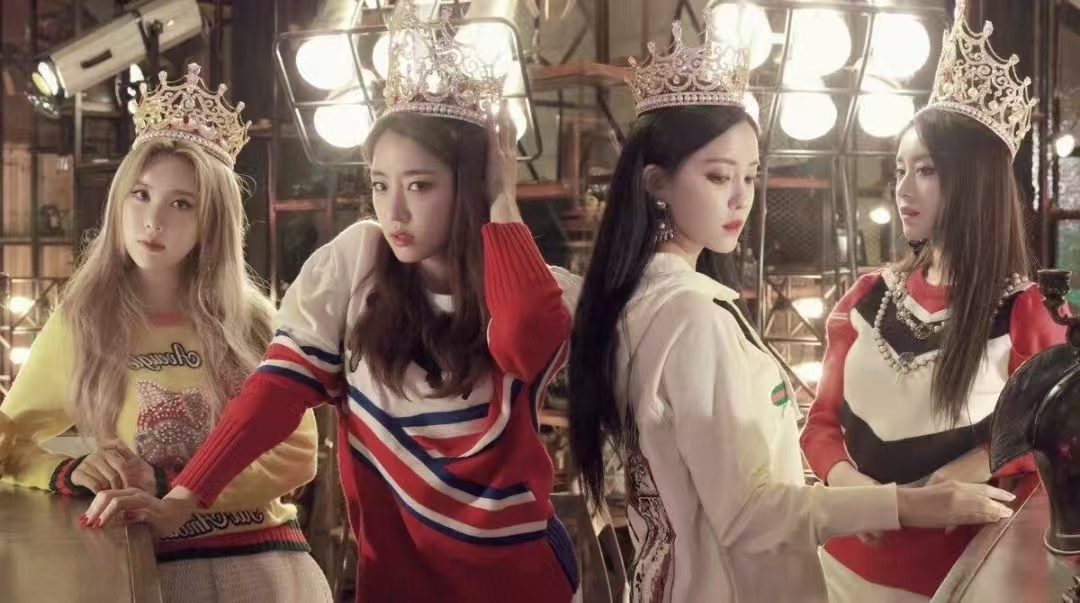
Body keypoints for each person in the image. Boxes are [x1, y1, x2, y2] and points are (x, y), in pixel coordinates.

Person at [85, 3, 581, 602]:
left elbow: (525, 341)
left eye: (420, 185)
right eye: (380, 184)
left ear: (470, 184)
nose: (394, 211)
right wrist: (185, 496)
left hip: (522, 582)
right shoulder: (356, 266)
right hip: (398, 584)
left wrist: (502, 198)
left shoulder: (538, 287)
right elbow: (274, 393)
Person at [567, 14, 1016, 603]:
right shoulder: (696, 317)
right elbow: (755, 507)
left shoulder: (635, 300)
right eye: (718, 176)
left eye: (751, 177)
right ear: (657, 183)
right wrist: (901, 504)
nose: (741, 199)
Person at [0, 63, 330, 603]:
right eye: (141, 194)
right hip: (149, 568)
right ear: (119, 200)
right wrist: (69, 471)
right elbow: (9, 443)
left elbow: (297, 453)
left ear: (212, 221)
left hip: (268, 564)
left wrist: (170, 485)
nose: (153, 220)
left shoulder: (253, 321)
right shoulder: (84, 322)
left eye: (182, 203)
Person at [799, 3, 1064, 600]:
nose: (902, 188)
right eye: (899, 169)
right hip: (840, 570)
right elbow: (820, 425)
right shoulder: (864, 299)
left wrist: (979, 463)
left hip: (960, 577)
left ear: (973, 182)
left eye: (925, 170)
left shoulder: (1026, 314)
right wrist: (861, 497)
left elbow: (1056, 434)